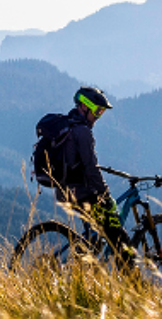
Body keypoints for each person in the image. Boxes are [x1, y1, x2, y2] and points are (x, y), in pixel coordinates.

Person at [33, 86, 121, 247]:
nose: (98, 117)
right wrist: (106, 196)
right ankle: (130, 268)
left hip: (64, 191)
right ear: (84, 106)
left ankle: (84, 260)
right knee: (114, 229)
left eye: (101, 113)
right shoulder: (82, 132)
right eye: (97, 111)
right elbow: (91, 168)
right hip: (79, 193)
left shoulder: (67, 125)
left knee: (94, 239)